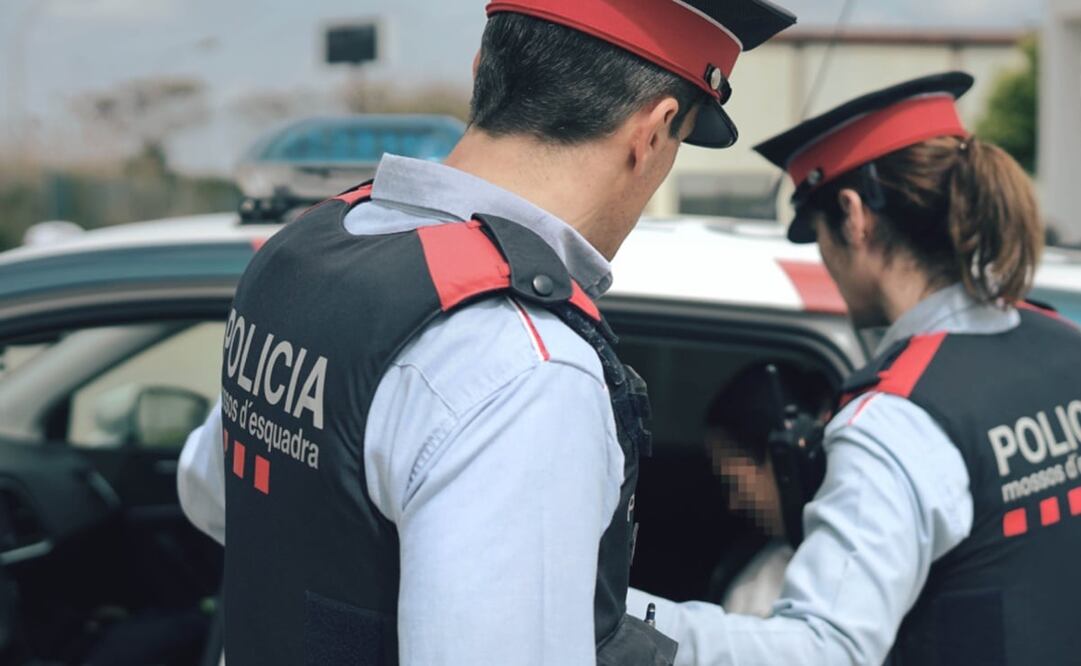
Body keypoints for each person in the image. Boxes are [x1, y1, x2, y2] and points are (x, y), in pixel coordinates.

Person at [176, 1, 796, 665]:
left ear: (482, 72)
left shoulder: (301, 253)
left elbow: (209, 492)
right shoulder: (524, 364)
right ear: (653, 131)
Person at [627, 71, 1081, 665]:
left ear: (853, 213)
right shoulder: (1062, 343)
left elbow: (823, 651)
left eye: (817, 234)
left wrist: (621, 618)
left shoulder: (897, 422)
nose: (825, 258)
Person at [702, 362, 832, 617]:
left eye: (734, 483)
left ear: (783, 460)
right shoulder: (759, 559)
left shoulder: (762, 590)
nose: (733, 503)